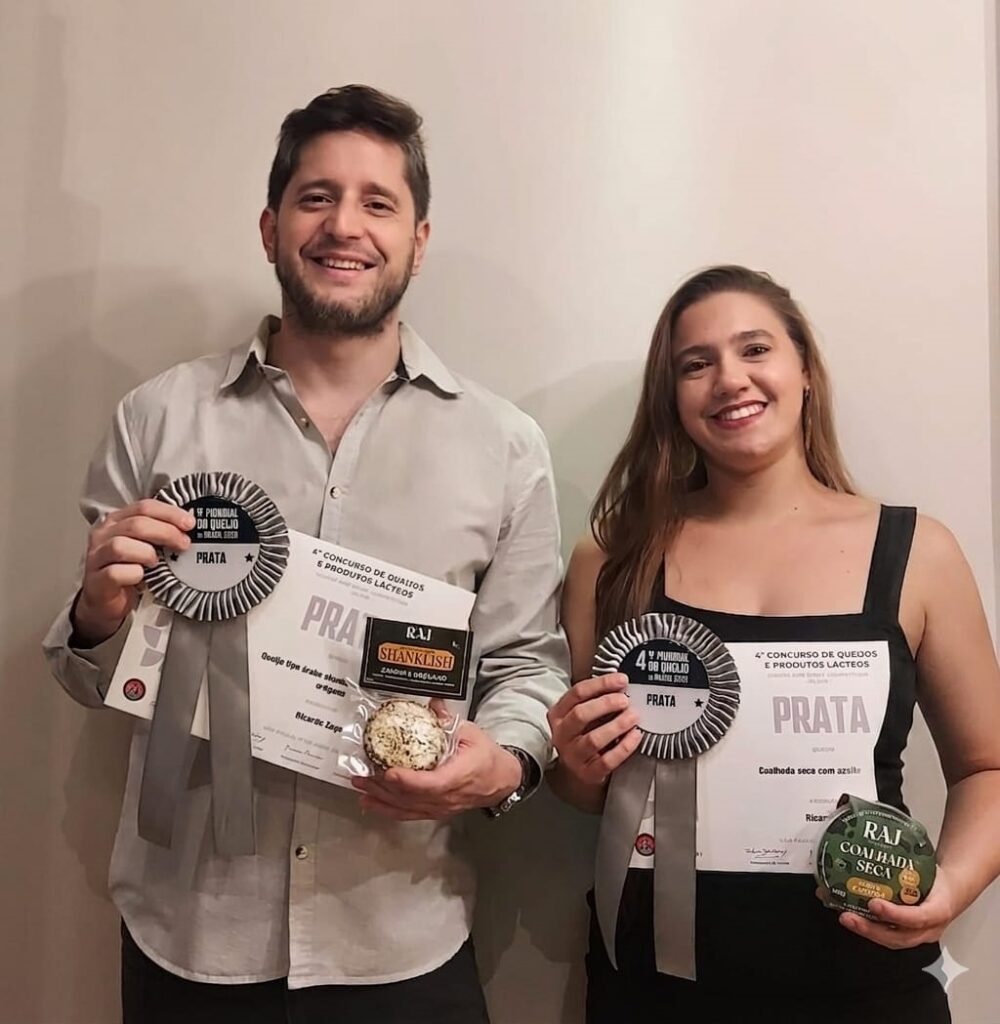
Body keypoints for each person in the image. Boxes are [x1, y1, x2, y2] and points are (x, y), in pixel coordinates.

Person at [43, 84, 569, 1024]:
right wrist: (95, 617)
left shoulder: (505, 447)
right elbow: (93, 677)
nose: (344, 226)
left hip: (401, 940)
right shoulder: (158, 419)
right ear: (271, 225)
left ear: (419, 238)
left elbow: (528, 665)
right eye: (316, 196)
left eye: (378, 202)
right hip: (190, 936)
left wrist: (508, 766)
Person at [547, 265, 1000, 1024]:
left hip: (865, 980)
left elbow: (988, 765)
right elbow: (586, 793)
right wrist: (576, 765)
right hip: (656, 988)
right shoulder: (610, 559)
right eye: (696, 364)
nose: (729, 379)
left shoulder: (919, 551)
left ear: (804, 372)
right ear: (673, 396)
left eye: (754, 349)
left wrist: (951, 887)